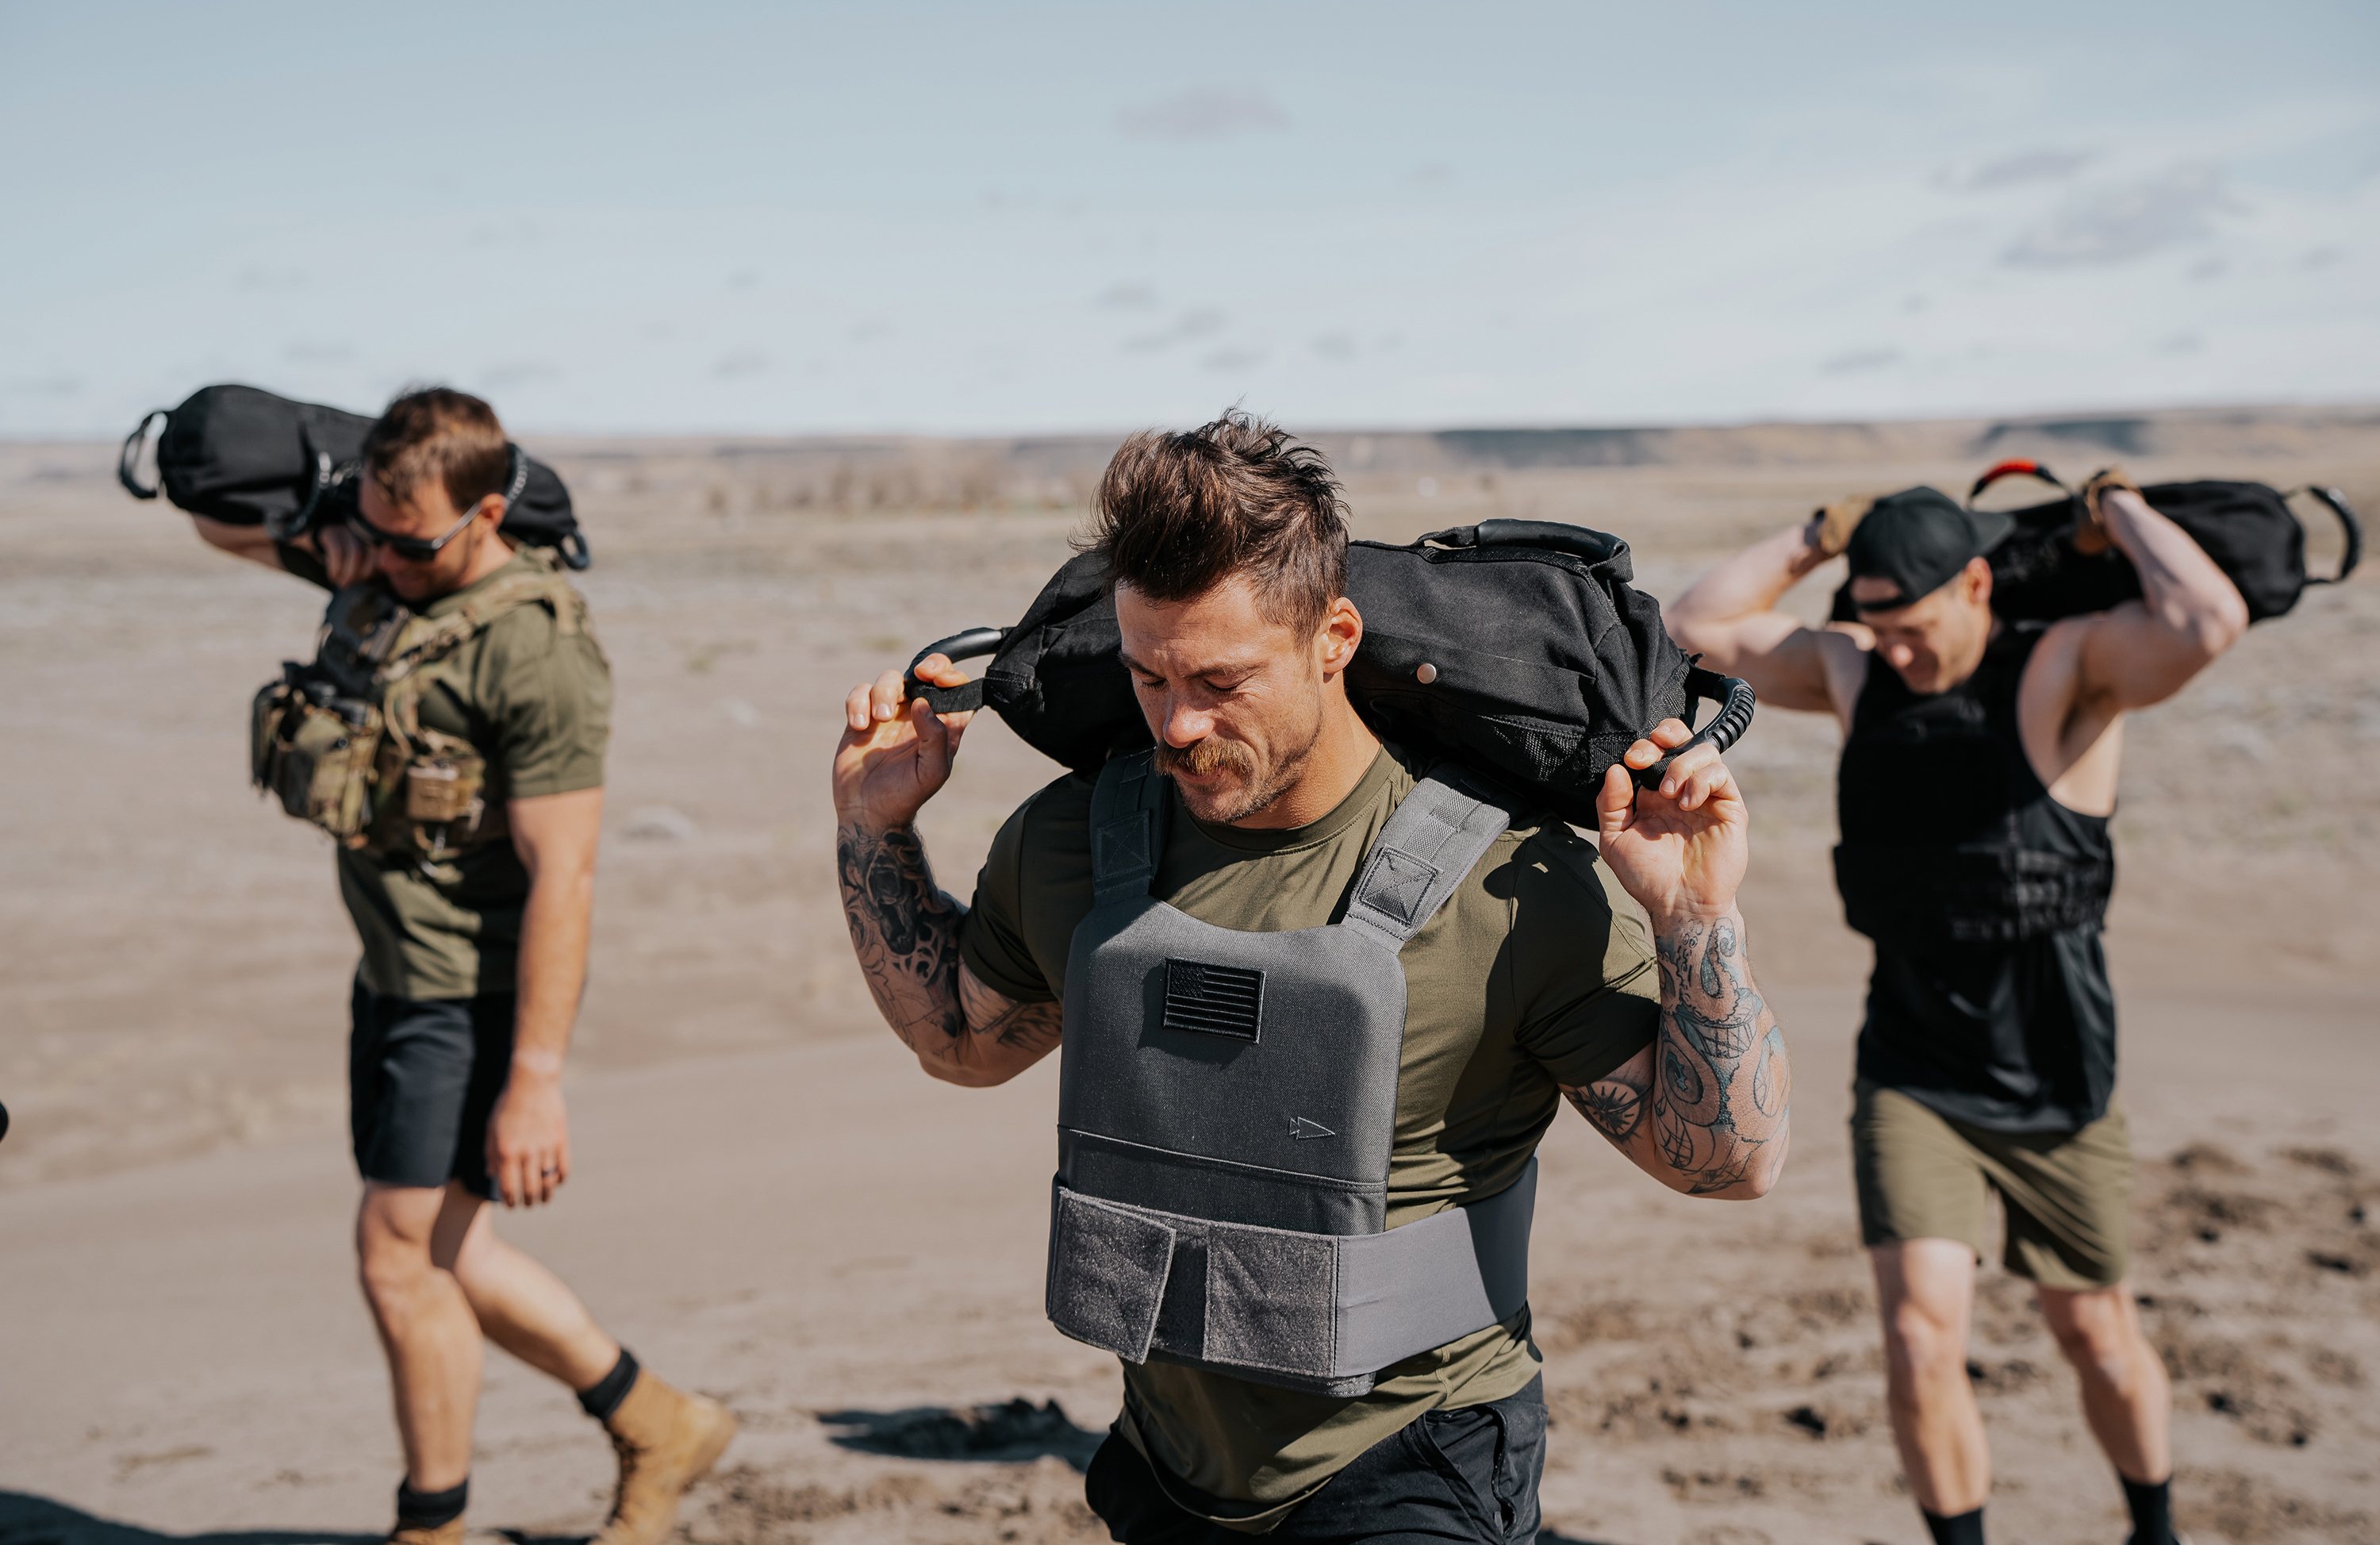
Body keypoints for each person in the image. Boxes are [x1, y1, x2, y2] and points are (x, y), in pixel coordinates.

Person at [832, 412, 1791, 1541]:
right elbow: (959, 1039)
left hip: (1417, 1454)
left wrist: (1694, 918)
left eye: (1222, 681)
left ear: (1334, 637)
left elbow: (1730, 1164)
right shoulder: (1079, 841)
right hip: (1169, 1458)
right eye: (1148, 677)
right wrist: (870, 827)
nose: (1179, 725)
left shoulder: (1507, 887)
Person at [191, 388, 735, 1545]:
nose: (388, 556)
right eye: (376, 530)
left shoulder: (532, 647)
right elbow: (216, 526)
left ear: (487, 512)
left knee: (397, 1255)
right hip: (390, 975)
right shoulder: (388, 566)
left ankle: (434, 1524)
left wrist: (536, 1076)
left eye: (413, 538)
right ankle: (657, 1419)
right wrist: (334, 525)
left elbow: (567, 876)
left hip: (468, 994)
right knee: (445, 1249)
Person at [1665, 475, 2248, 1545]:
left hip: (2059, 1075)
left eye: (1914, 626)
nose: (1892, 652)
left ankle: (2155, 1530)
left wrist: (2115, 511)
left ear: (1977, 583)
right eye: (1873, 626)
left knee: (2095, 1333)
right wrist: (1817, 535)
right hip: (1913, 1068)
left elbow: (2208, 620)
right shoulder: (1854, 670)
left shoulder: (2069, 665)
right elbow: (1696, 623)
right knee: (1921, 1342)